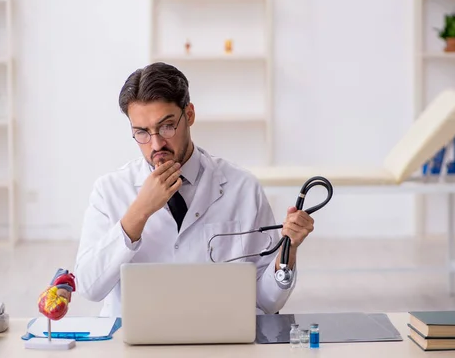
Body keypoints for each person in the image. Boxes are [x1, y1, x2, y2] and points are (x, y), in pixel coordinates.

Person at [73, 62, 315, 319]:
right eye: (142, 132)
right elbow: (89, 287)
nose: (156, 144)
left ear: (189, 115)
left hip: (218, 336)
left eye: (167, 126)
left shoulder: (243, 188)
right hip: (135, 342)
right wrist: (140, 212)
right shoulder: (109, 190)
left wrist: (288, 250)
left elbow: (266, 302)